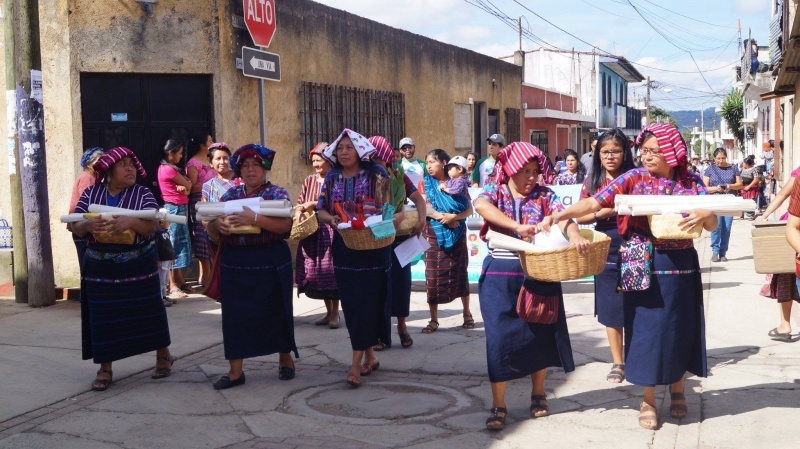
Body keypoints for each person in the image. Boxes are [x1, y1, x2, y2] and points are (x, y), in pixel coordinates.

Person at [553, 123, 716, 430]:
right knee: (645, 332)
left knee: (680, 327)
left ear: (672, 152)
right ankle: (649, 400)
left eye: (655, 151)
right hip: (640, 261)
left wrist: (707, 215)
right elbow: (595, 201)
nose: (647, 156)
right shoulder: (635, 177)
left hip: (680, 263)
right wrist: (561, 214)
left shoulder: (691, 180)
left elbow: (712, 223)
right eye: (645, 150)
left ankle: (679, 389)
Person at [473, 141, 589, 431]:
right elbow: (480, 205)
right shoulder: (495, 190)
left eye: (535, 171)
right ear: (510, 170)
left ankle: (538, 394)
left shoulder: (545, 195)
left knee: (540, 333)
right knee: (498, 339)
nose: (531, 177)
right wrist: (516, 227)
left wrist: (574, 235)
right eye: (525, 171)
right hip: (500, 274)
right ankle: (498, 404)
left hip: (540, 273)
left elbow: (564, 220)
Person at [71, 147, 174, 391]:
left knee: (149, 311)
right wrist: (87, 225)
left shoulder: (143, 194)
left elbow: (151, 228)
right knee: (103, 317)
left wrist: (133, 221)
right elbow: (74, 224)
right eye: (123, 164)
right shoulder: (91, 194)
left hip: (138, 264)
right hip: (100, 268)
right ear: (108, 171)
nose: (130, 169)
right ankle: (105, 368)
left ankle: (162, 356)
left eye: (132, 164)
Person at [206, 144, 297, 389]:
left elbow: (285, 227)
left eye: (255, 164)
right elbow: (211, 227)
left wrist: (254, 218)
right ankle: (236, 372)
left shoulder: (277, 194)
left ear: (264, 168)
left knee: (276, 311)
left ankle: (285, 359)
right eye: (245, 165)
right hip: (236, 262)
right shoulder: (231, 196)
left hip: (270, 261)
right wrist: (218, 228)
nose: (250, 169)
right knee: (235, 317)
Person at [316, 129, 393, 387]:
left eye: (349, 147)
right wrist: (332, 220)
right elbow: (320, 210)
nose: (345, 152)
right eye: (340, 148)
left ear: (360, 150)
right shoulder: (332, 177)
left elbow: (391, 207)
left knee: (369, 303)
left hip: (373, 247)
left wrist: (383, 222)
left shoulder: (377, 174)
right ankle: (369, 356)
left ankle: (354, 365)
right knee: (352, 305)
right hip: (345, 247)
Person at [575, 128, 636, 384]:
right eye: (605, 152)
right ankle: (618, 362)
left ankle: (635, 359)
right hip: (605, 245)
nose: (610, 156)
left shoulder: (636, 178)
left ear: (625, 153)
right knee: (612, 308)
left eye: (616, 151)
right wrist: (606, 211)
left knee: (636, 305)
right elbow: (580, 216)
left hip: (635, 243)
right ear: (597, 154)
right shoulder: (591, 182)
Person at [368, 135, 427, 350]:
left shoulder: (397, 175)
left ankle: (402, 326)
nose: (377, 163)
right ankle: (381, 335)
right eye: (372, 158)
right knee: (379, 287)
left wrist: (421, 219)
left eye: (379, 158)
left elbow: (418, 199)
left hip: (400, 238)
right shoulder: (364, 178)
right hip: (376, 238)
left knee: (401, 284)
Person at [423, 149, 474, 333]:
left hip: (457, 232)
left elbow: (469, 209)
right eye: (427, 162)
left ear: (444, 162)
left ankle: (467, 313)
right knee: (433, 276)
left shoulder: (457, 183)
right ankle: (434, 319)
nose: (428, 166)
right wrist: (441, 218)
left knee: (460, 272)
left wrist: (454, 216)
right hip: (434, 233)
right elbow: (424, 206)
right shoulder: (427, 183)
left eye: (432, 162)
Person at [294, 142, 340, 329]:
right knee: (319, 273)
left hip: (329, 231)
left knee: (332, 272)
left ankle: (335, 314)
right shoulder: (309, 181)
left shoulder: (336, 179)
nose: (316, 164)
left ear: (329, 160)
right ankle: (328, 313)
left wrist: (314, 203)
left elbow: (337, 203)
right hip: (311, 231)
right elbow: (300, 202)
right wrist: (298, 213)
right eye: (313, 161)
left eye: (319, 160)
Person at [758, 164, 800, 342]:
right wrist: (764, 216)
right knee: (786, 277)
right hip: (792, 232)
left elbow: (783, 194)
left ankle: (785, 325)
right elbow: (782, 195)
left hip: (792, 232)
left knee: (786, 277)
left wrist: (764, 216)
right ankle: (784, 324)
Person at [157, 139, 193, 298]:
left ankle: (179, 280)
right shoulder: (169, 170)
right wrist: (186, 187)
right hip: (175, 208)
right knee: (174, 244)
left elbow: (187, 187)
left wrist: (186, 188)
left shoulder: (167, 168)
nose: (181, 156)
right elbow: (189, 185)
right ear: (170, 153)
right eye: (179, 153)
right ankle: (172, 285)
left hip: (178, 207)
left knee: (178, 244)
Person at [185, 133, 215, 288]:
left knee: (213, 237)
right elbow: (192, 186)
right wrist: (211, 185)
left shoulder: (212, 160)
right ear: (203, 145)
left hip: (214, 203)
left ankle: (211, 276)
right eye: (210, 141)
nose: (212, 143)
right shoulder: (193, 163)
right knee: (202, 239)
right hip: (199, 203)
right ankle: (205, 277)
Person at [703, 148, 743, 262]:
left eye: (723, 158)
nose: (721, 161)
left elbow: (739, 184)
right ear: (714, 158)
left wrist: (729, 186)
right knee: (716, 226)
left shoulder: (733, 168)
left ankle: (723, 252)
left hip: (729, 200)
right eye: (718, 158)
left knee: (727, 227)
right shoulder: (710, 169)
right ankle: (715, 251)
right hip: (715, 200)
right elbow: (704, 188)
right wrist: (716, 188)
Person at [68, 147, 105, 264]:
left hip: (84, 227)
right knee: (87, 264)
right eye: (99, 160)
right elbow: (89, 204)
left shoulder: (94, 177)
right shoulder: (87, 178)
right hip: (83, 228)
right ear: (89, 164)